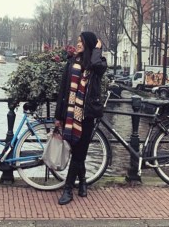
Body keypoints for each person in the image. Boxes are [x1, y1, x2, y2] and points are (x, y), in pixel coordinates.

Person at [54, 31, 107, 205]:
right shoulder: (71, 63)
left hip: (87, 115)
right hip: (70, 114)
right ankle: (82, 181)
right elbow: (63, 90)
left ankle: (68, 189)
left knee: (79, 152)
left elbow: (96, 65)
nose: (77, 44)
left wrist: (97, 50)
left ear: (89, 45)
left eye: (81, 42)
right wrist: (58, 116)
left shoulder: (97, 64)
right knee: (78, 151)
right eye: (77, 41)